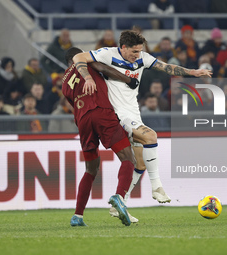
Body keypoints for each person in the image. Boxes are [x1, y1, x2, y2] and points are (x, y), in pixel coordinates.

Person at [72, 30, 212, 220]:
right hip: (118, 114)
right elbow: (78, 57)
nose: (137, 55)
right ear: (123, 47)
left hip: (133, 113)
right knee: (151, 136)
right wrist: (87, 77)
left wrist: (192, 72)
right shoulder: (107, 54)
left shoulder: (143, 58)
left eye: (139, 51)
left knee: (140, 163)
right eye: (134, 52)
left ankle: (119, 203)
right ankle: (157, 187)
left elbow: (167, 67)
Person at [63, 47, 141, 226]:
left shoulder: (64, 83)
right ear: (77, 56)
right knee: (128, 158)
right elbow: (104, 69)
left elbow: (73, 105)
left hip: (83, 122)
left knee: (91, 169)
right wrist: (128, 80)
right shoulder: (85, 63)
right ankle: (119, 197)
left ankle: (77, 216)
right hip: (101, 112)